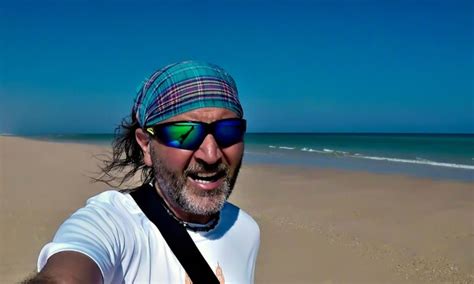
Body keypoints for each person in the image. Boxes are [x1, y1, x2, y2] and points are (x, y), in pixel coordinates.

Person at [29, 61, 260, 283]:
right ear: (146, 145)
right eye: (183, 133)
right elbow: (70, 269)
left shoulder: (246, 229)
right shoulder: (114, 225)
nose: (210, 155)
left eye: (228, 131)